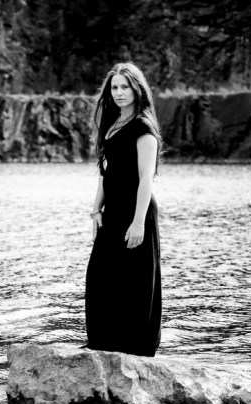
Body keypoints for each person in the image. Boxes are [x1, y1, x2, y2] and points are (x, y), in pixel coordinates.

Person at [84, 62, 162, 356]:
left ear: (137, 89)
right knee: (100, 275)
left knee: (134, 279)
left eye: (125, 87)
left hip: (136, 210)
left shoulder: (143, 128)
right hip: (113, 210)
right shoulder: (112, 124)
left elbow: (146, 179)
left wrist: (138, 222)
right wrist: (96, 211)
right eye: (114, 87)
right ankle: (104, 344)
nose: (119, 92)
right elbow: (105, 173)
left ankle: (135, 347)